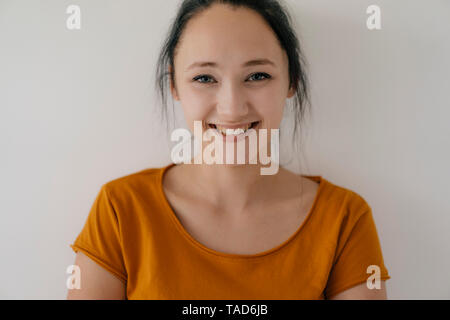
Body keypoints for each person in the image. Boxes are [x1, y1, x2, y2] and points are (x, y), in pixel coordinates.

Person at [67, 0, 390, 300]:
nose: (232, 108)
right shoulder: (121, 210)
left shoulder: (345, 218)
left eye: (258, 76)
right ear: (174, 86)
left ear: (291, 81)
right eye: (205, 78)